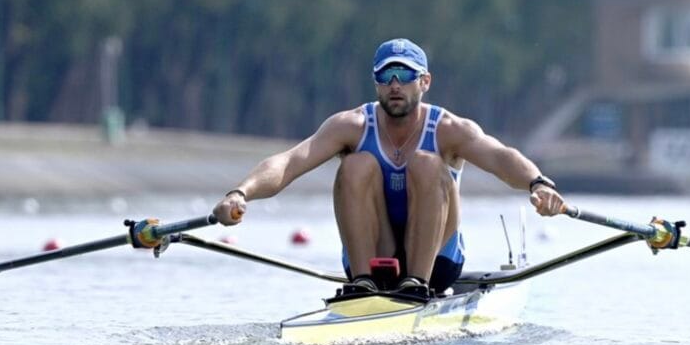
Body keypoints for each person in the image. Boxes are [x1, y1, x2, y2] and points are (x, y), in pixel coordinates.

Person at [212, 38, 567, 299]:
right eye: (386, 75)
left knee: (427, 164)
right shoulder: (350, 125)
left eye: (404, 74)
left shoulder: (449, 129)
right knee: (355, 165)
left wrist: (538, 183)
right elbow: (289, 162)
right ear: (376, 82)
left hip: (438, 264)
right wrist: (238, 193)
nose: (395, 84)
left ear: (424, 82)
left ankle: (416, 282)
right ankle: (363, 283)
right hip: (371, 259)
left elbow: (502, 157)